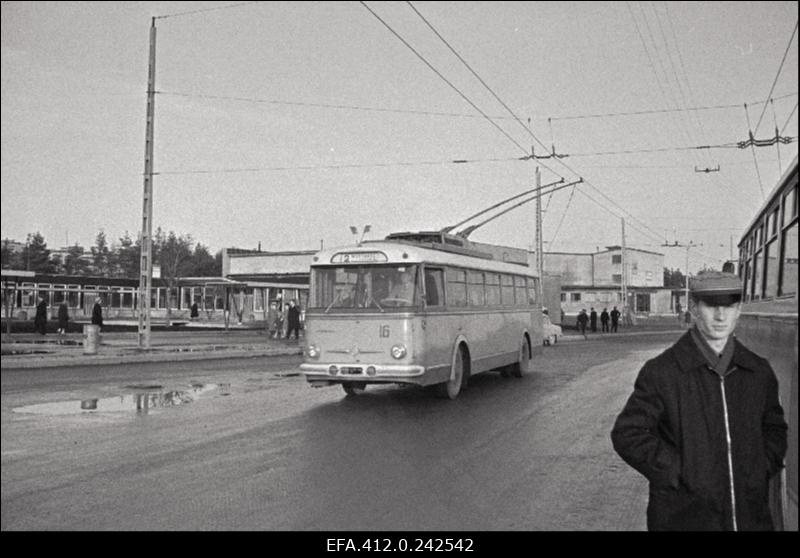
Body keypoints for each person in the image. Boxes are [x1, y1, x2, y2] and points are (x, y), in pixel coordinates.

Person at [610, 271, 787, 531]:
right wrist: (678, 472)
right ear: (694, 308)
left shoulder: (758, 372)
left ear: (739, 310)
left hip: (750, 516)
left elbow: (774, 428)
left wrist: (759, 467)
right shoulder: (662, 372)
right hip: (684, 517)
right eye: (711, 306)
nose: (720, 316)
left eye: (730, 306)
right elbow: (628, 434)